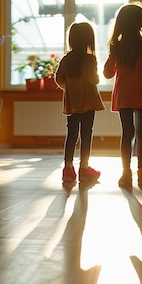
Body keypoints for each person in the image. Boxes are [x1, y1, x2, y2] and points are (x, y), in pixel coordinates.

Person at [103, 2, 142, 187]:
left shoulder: (117, 46)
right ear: (141, 22)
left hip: (124, 94)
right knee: (141, 132)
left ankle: (125, 173)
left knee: (127, 132)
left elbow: (107, 73)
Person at [55, 21, 105, 183]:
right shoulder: (90, 60)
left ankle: (68, 169)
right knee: (86, 135)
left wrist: (70, 88)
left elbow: (59, 79)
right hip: (89, 102)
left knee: (71, 135)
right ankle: (84, 168)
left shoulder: (66, 59)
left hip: (72, 103)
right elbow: (94, 79)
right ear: (88, 40)